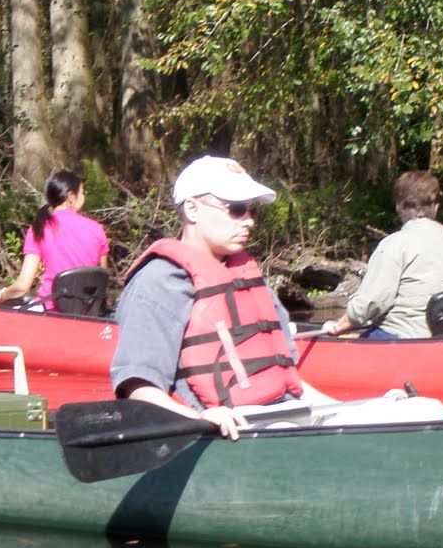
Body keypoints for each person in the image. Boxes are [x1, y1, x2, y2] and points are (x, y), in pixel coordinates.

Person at [109, 155, 307, 441]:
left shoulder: (244, 275)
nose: (249, 220)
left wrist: (353, 409)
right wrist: (200, 419)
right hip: (218, 430)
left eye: (252, 211)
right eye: (236, 209)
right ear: (192, 209)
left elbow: (289, 376)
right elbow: (137, 387)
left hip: (278, 417)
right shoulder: (159, 282)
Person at [320, 169, 443, 340]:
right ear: (436, 208)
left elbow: (371, 303)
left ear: (398, 207)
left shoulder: (394, 245)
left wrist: (337, 327)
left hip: (401, 340)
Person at [0, 169, 109, 309]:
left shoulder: (38, 230)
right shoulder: (98, 230)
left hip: (51, 310)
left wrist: (3, 294)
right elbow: (102, 281)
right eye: (82, 193)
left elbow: (23, 286)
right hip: (87, 312)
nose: (84, 197)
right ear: (71, 196)